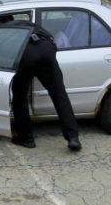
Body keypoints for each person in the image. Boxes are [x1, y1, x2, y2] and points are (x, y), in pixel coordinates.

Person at [8, 21, 81, 152]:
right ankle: (73, 138)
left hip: (27, 55)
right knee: (59, 95)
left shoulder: (6, 30)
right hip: (47, 49)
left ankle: (27, 139)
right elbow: (51, 39)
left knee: (20, 97)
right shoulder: (29, 24)